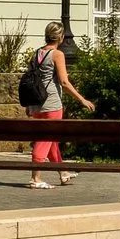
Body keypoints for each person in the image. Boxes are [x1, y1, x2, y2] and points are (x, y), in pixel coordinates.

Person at [21, 22, 93, 189]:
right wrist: (82, 99)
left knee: (51, 139)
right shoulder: (57, 54)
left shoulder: (36, 53)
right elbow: (64, 82)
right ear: (60, 37)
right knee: (45, 138)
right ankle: (35, 178)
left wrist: (30, 105)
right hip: (52, 104)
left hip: (37, 104)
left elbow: (32, 79)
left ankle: (63, 172)